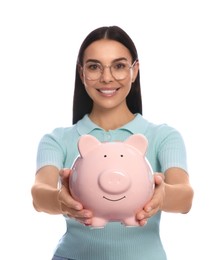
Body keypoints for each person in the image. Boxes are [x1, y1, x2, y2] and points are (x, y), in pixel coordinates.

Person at [31, 25, 194, 260]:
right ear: (81, 73)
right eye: (94, 67)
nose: (107, 78)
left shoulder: (163, 136)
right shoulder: (58, 139)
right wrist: (60, 201)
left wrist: (160, 194)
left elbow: (185, 197)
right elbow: (39, 194)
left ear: (134, 70)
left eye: (118, 66)